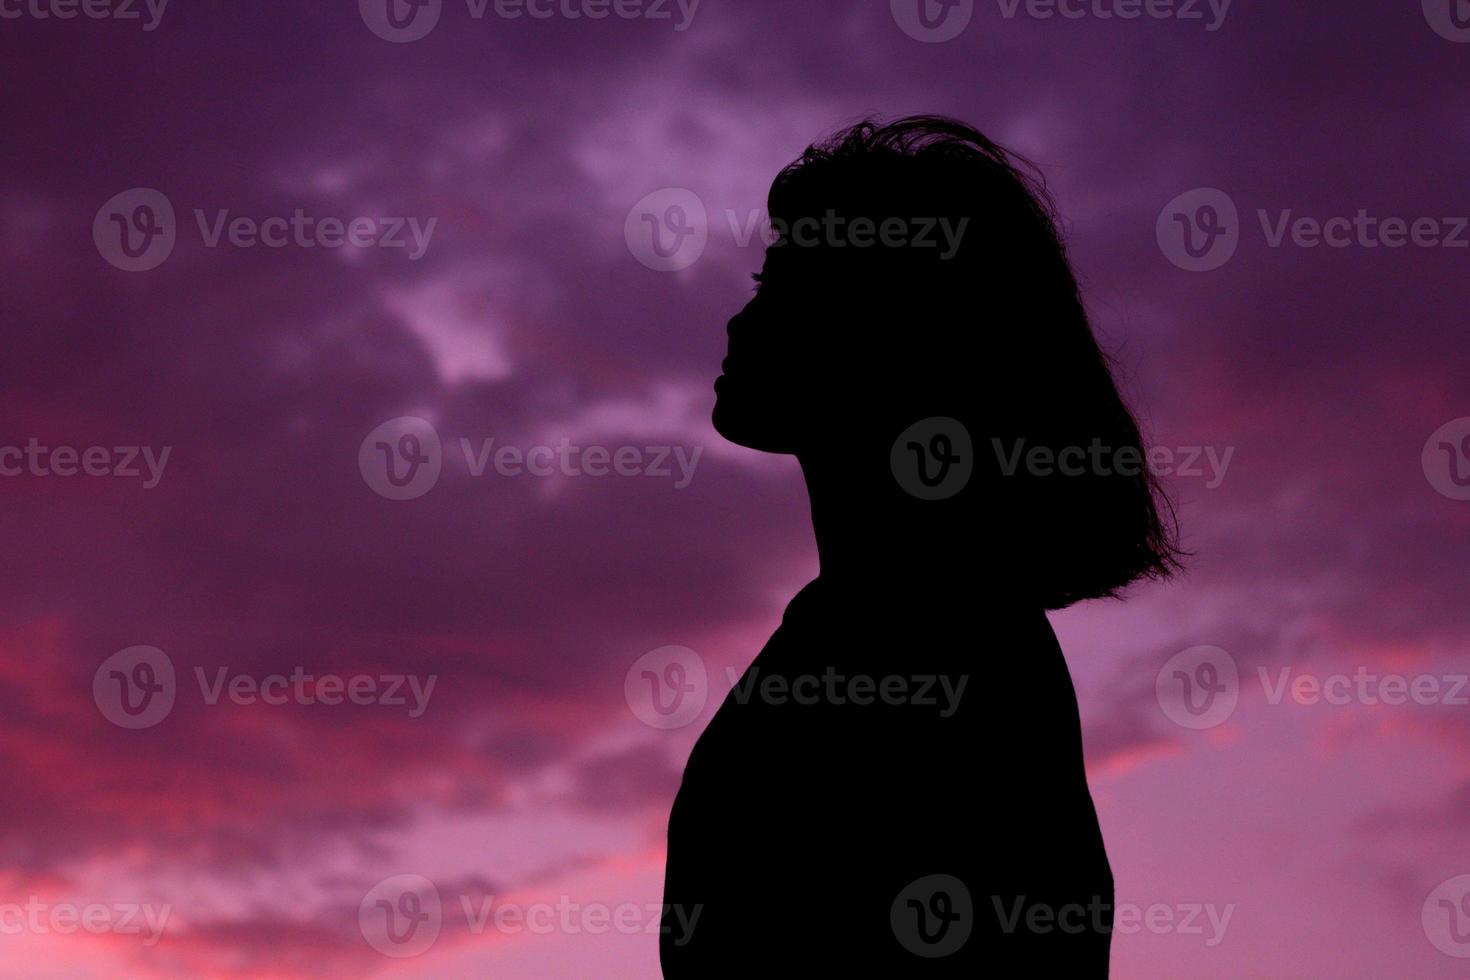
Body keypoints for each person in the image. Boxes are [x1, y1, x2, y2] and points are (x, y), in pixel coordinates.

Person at [660, 116, 1181, 976]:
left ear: (887, 332)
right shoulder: (883, 625)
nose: (740, 320)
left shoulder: (937, 642)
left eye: (780, 283)